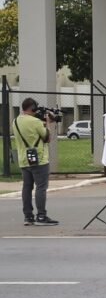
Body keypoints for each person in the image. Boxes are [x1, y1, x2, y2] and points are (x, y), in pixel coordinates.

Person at [12, 97, 58, 226]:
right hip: (39, 159)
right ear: (32, 108)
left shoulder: (15, 121)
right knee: (41, 187)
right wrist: (48, 123)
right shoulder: (36, 122)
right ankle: (41, 216)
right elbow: (47, 138)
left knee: (27, 187)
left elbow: (29, 132)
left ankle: (28, 217)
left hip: (24, 159)